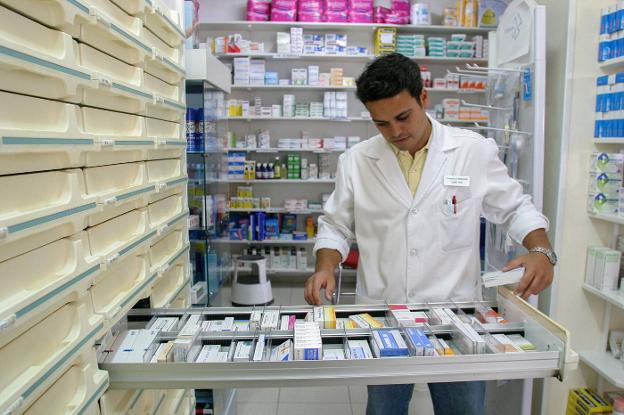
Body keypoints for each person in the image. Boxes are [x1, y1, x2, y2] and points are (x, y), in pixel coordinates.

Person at [304, 53, 556, 415]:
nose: (395, 132)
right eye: (381, 123)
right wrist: (325, 267)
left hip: (455, 315)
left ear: (423, 98)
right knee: (384, 410)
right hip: (383, 314)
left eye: (403, 117)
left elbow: (515, 208)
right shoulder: (356, 161)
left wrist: (541, 250)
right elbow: (336, 225)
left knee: (462, 410)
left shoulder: (472, 150)